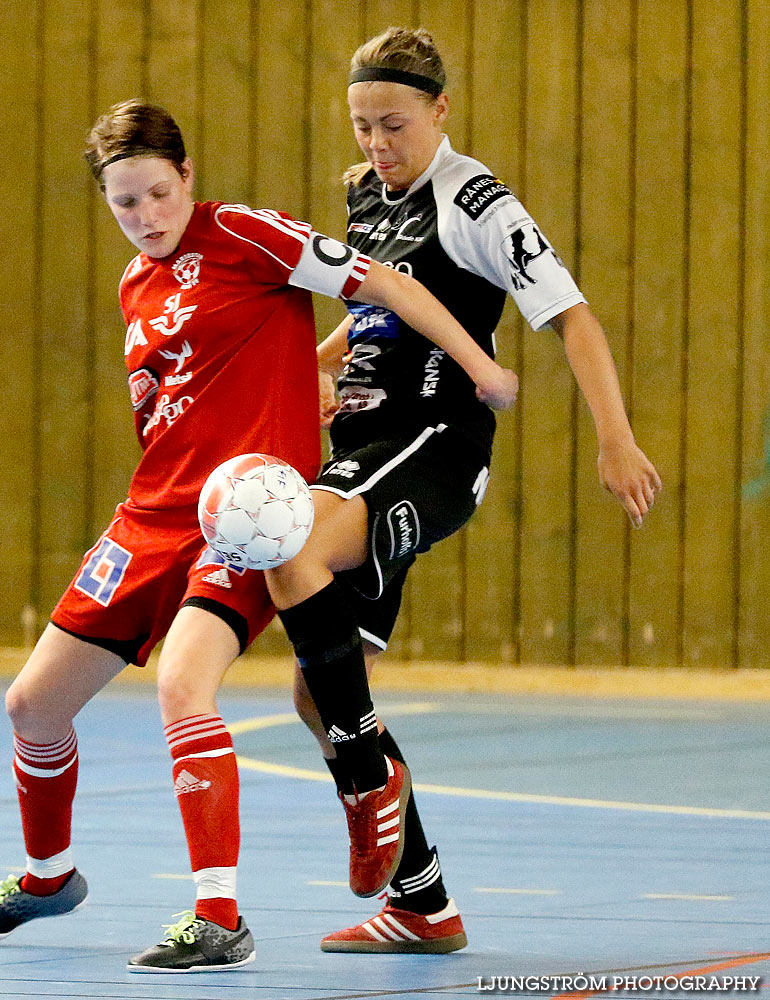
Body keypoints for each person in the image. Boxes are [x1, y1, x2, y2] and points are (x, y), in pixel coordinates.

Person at [0, 98, 516, 973]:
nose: (145, 217)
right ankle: (46, 874)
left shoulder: (246, 233)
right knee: (31, 705)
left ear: (188, 179)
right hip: (151, 514)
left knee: (185, 687)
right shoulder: (133, 284)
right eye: (124, 204)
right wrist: (308, 373)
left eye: (157, 193)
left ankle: (218, 913)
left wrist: (480, 369)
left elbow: (389, 286)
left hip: (246, 514)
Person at [265, 26, 663, 955]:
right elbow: (369, 317)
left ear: (440, 112)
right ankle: (423, 903)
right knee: (316, 694)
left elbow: (571, 316)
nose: (376, 143)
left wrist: (616, 437)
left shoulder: (476, 200)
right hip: (361, 446)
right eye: (362, 125)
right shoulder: (366, 196)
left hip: (433, 446)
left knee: (294, 542)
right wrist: (317, 369)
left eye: (393, 124)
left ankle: (369, 783)